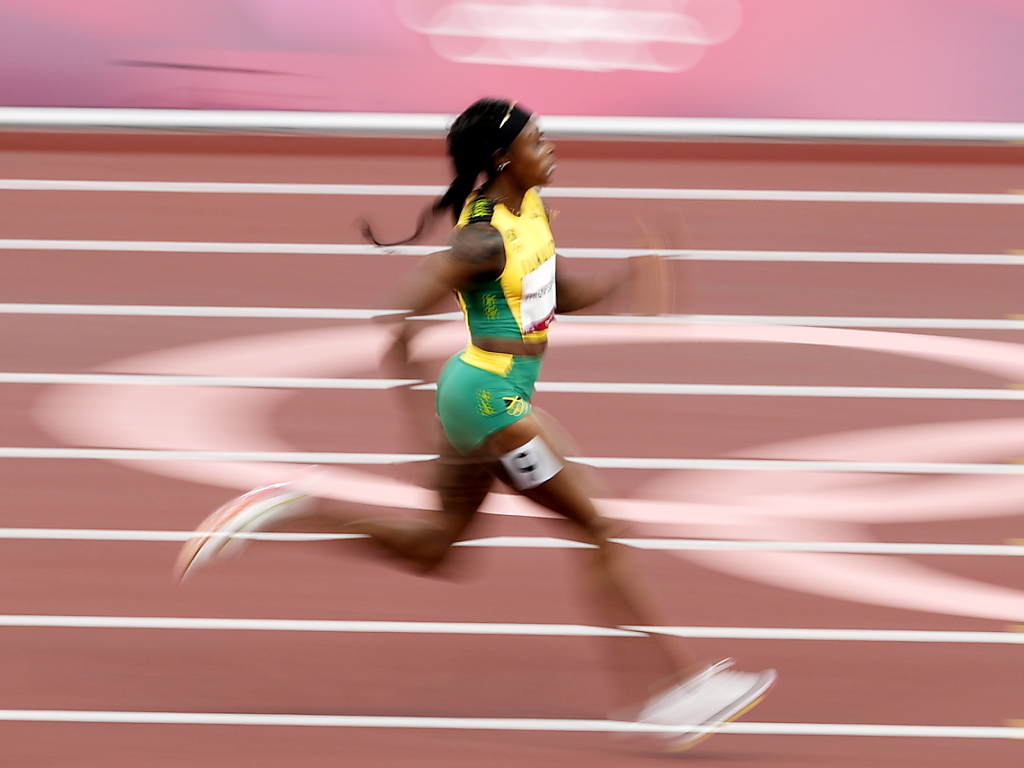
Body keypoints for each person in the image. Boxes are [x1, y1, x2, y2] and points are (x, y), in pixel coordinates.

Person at [175, 97, 775, 750]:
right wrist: (416, 422)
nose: (550, 148)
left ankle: (293, 508)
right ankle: (675, 691)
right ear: (501, 157)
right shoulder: (481, 238)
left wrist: (627, 280)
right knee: (601, 528)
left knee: (436, 549)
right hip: (490, 403)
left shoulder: (532, 209)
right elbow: (399, 319)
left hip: (486, 398)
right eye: (536, 140)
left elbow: (555, 295)